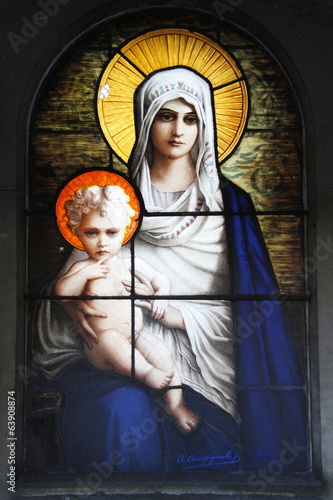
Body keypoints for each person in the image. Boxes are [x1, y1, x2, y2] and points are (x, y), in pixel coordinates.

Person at [33, 67, 307, 473]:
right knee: (119, 410)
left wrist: (177, 314)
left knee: (211, 437)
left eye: (191, 117)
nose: (179, 129)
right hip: (118, 362)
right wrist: (77, 309)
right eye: (166, 115)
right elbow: (64, 307)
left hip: (210, 365)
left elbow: (255, 314)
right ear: (146, 120)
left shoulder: (229, 207)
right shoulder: (111, 203)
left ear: (205, 125)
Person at [53, 184, 199, 433]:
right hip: (102, 345)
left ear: (125, 231)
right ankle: (145, 374)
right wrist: (86, 272)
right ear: (77, 232)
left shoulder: (130, 263)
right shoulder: (82, 268)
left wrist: (160, 296)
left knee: (163, 354)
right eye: (91, 233)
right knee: (112, 339)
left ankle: (175, 405)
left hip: (136, 335)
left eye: (111, 233)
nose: (102, 242)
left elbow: (160, 280)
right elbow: (61, 293)